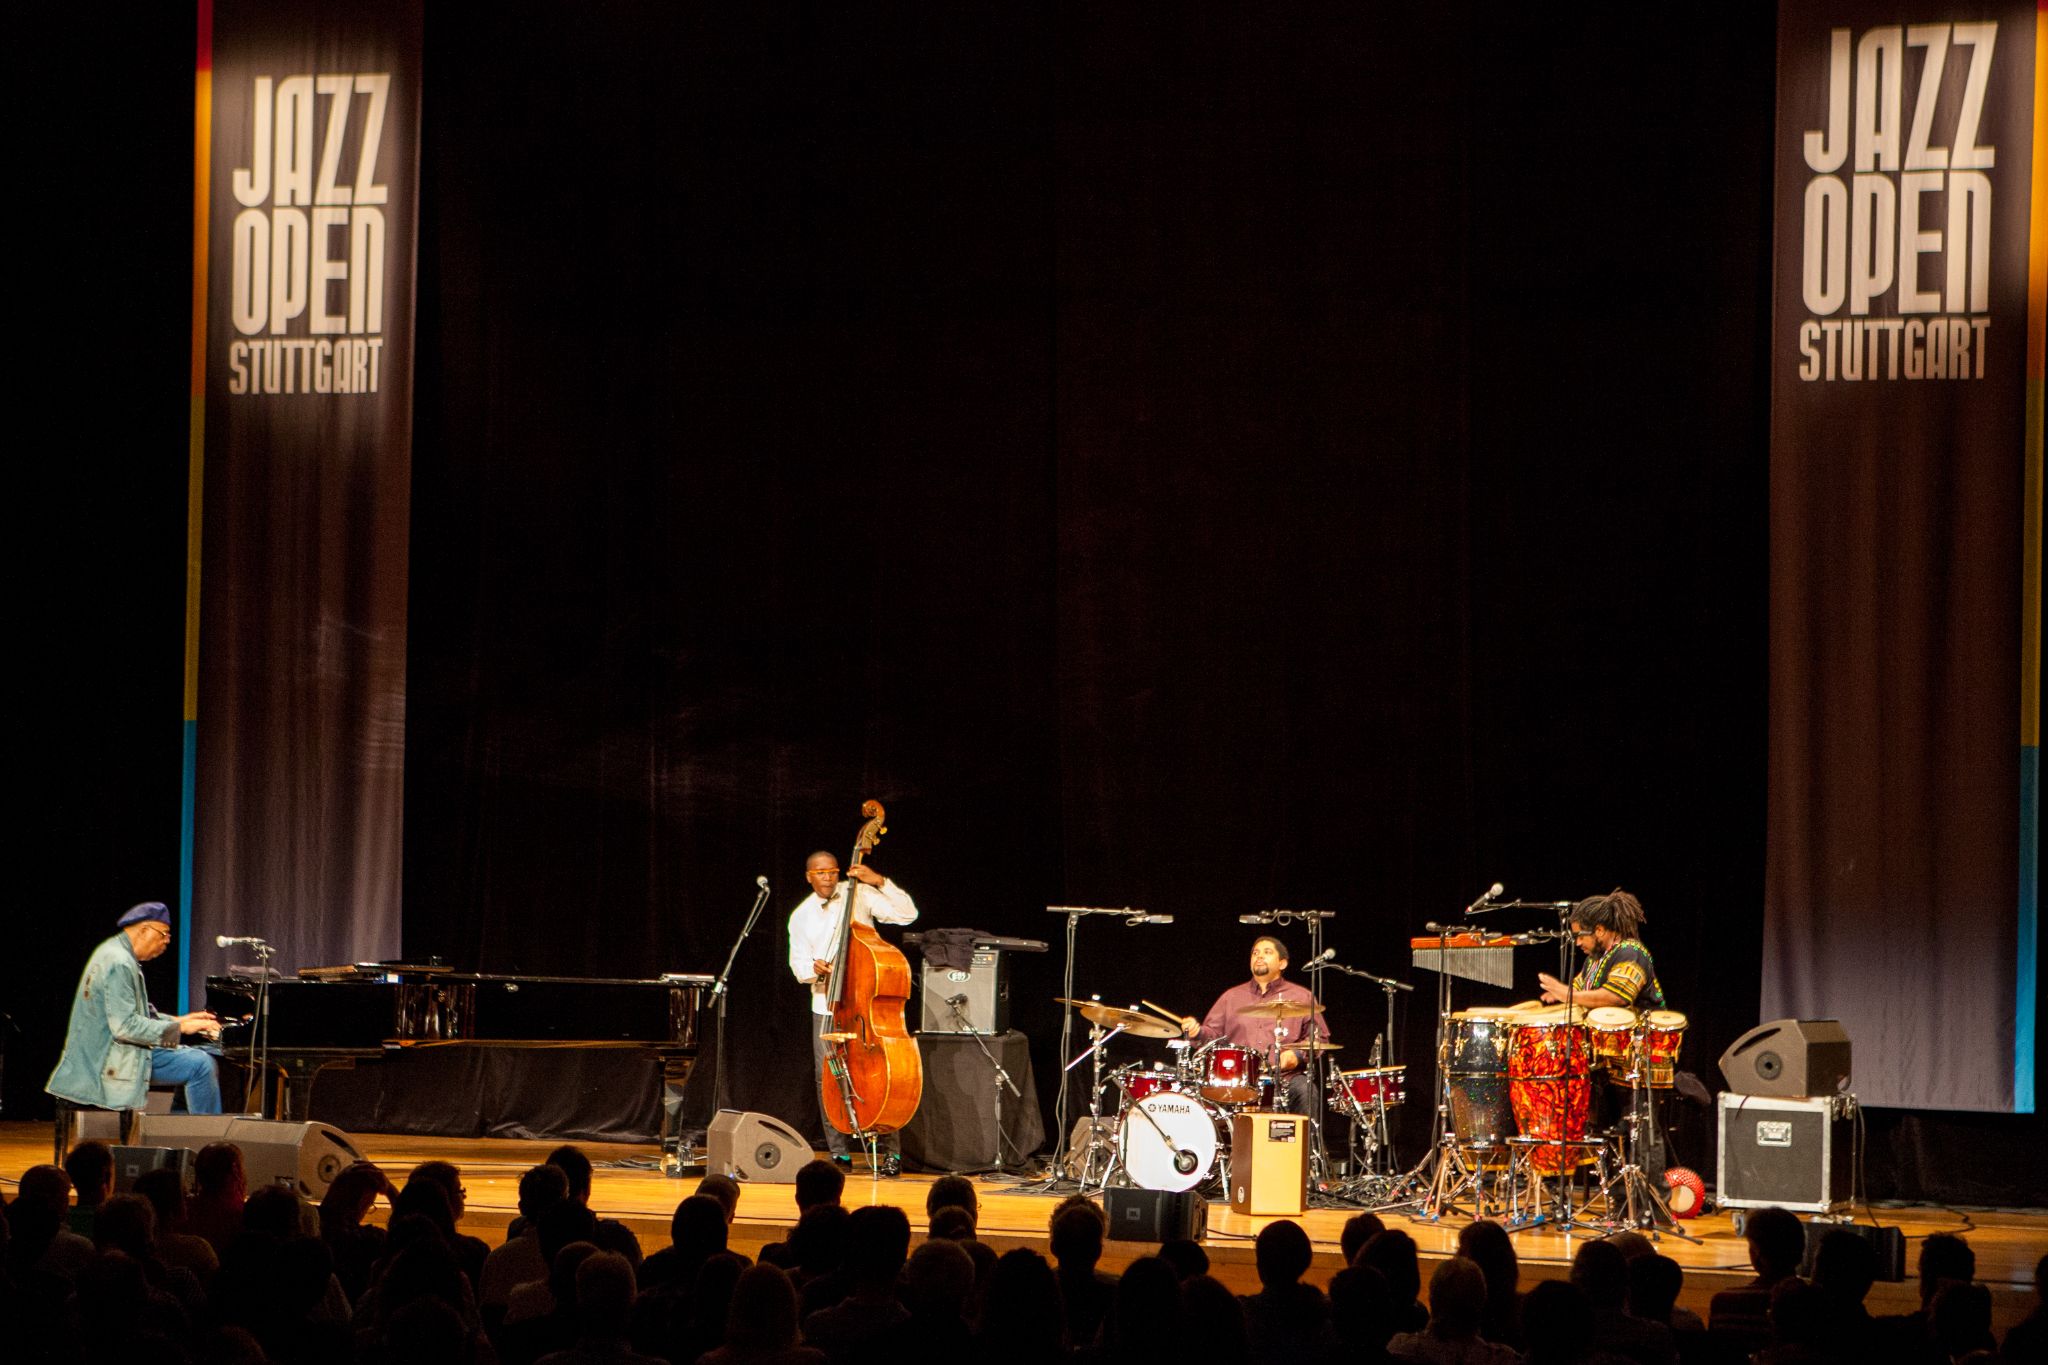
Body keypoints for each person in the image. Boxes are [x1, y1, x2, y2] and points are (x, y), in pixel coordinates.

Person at [786, 848, 919, 1175]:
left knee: (881, 1073)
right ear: (809, 876)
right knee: (827, 1078)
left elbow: (906, 914)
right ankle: (839, 1152)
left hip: (865, 1008)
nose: (828, 878)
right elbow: (799, 965)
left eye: (832, 871)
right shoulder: (800, 916)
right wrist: (815, 969)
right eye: (821, 873)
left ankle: (891, 1153)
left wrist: (880, 881)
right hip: (827, 1005)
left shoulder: (857, 893)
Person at [46, 901, 222, 1120]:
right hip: (107, 1060)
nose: (167, 941)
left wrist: (179, 1019)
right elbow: (125, 1027)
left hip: (110, 1051)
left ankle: (180, 1138)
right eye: (164, 934)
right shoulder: (120, 962)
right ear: (144, 930)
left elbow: (138, 1013)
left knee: (196, 1058)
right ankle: (208, 1143)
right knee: (202, 1064)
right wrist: (180, 1027)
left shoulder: (114, 951)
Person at [1179, 936, 1334, 1114]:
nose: (1259, 956)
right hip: (1237, 1079)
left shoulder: (1302, 997)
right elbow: (1213, 1036)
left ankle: (1308, 1143)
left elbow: (1319, 1037)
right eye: (1255, 953)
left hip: (1285, 1078)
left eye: (1267, 952)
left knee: (1306, 1091)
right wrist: (1197, 1032)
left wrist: (1297, 1055)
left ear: (1282, 963)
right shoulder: (1231, 997)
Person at [1537, 889, 1666, 1012]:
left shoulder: (1631, 952)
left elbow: (1616, 997)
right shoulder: (1594, 959)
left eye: (1581, 936)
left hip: (1643, 1034)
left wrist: (1567, 994)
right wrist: (1559, 992)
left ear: (1600, 930)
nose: (1577, 943)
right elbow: (1579, 990)